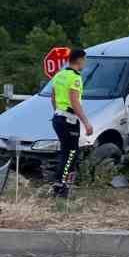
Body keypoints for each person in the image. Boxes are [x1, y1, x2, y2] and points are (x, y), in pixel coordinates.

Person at [50, 48, 93, 198]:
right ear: (79, 59)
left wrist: (57, 112)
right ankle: (62, 186)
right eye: (85, 60)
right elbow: (75, 102)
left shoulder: (60, 74)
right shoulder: (75, 78)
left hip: (58, 117)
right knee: (71, 154)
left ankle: (59, 185)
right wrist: (86, 122)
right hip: (69, 119)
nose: (85, 63)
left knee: (65, 152)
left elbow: (53, 97)